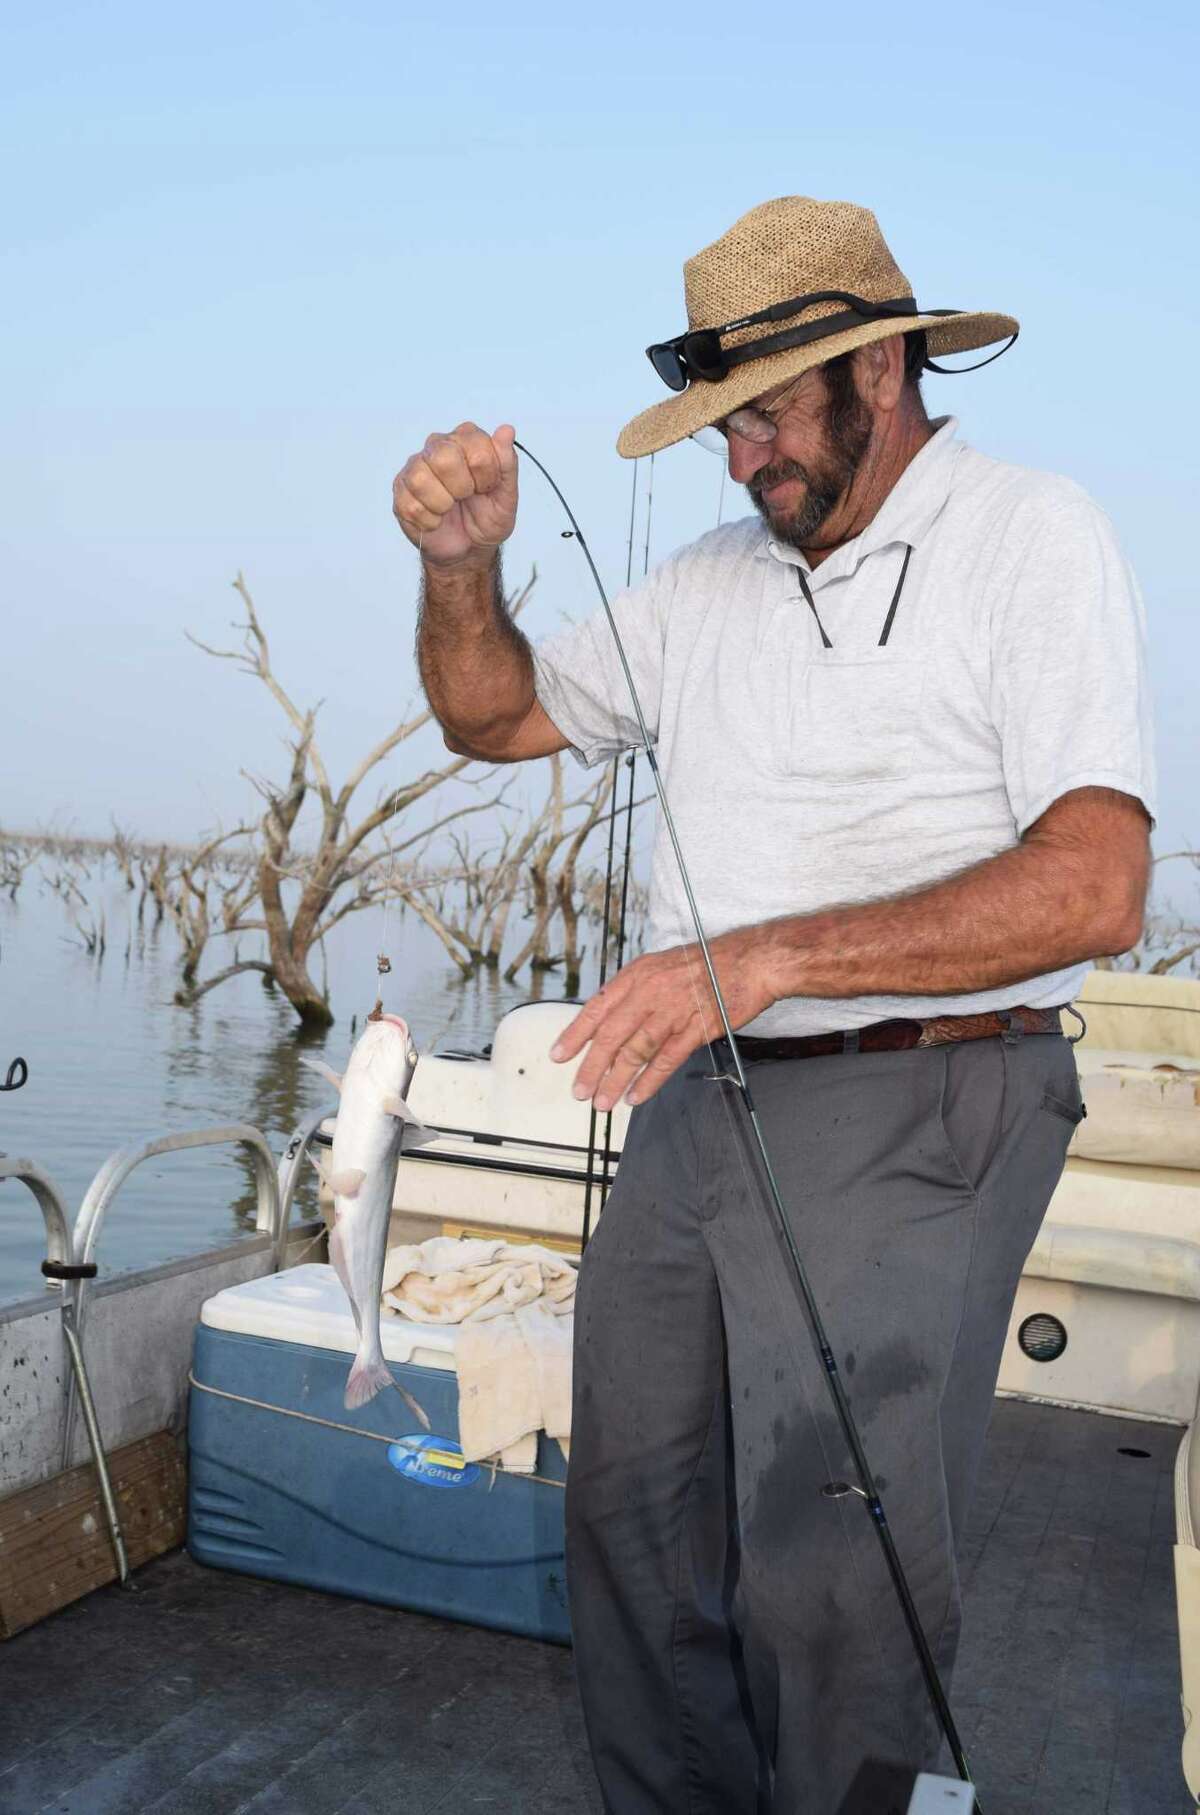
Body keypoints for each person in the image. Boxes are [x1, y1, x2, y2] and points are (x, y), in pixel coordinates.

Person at [392, 196, 1154, 1813]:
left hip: (936, 1090)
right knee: (636, 1525)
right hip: (706, 1106)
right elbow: (494, 713)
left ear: (881, 368)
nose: (743, 466)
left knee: (832, 1567)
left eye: (768, 418)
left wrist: (771, 954)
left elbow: (1098, 882)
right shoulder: (703, 584)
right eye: (725, 430)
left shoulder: (1034, 533)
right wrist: (465, 571)